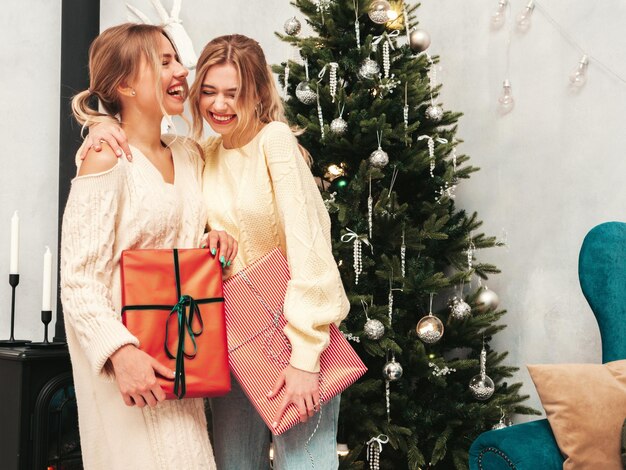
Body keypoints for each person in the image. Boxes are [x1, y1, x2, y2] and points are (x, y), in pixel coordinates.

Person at [85, 34, 350, 470]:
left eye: (233, 93)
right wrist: (101, 125)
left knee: (305, 466)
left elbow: (311, 250)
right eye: (208, 91)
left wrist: (305, 358)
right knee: (232, 465)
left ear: (257, 93)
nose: (219, 105)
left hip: (292, 338)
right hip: (228, 340)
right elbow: (191, 220)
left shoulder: (275, 141)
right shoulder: (201, 153)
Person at [61, 23, 236, 469]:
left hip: (182, 352)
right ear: (124, 84)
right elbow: (80, 279)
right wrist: (120, 354)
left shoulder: (189, 153)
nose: (181, 70)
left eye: (176, 58)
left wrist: (210, 237)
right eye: (163, 62)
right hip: (128, 362)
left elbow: (175, 238)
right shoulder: (106, 157)